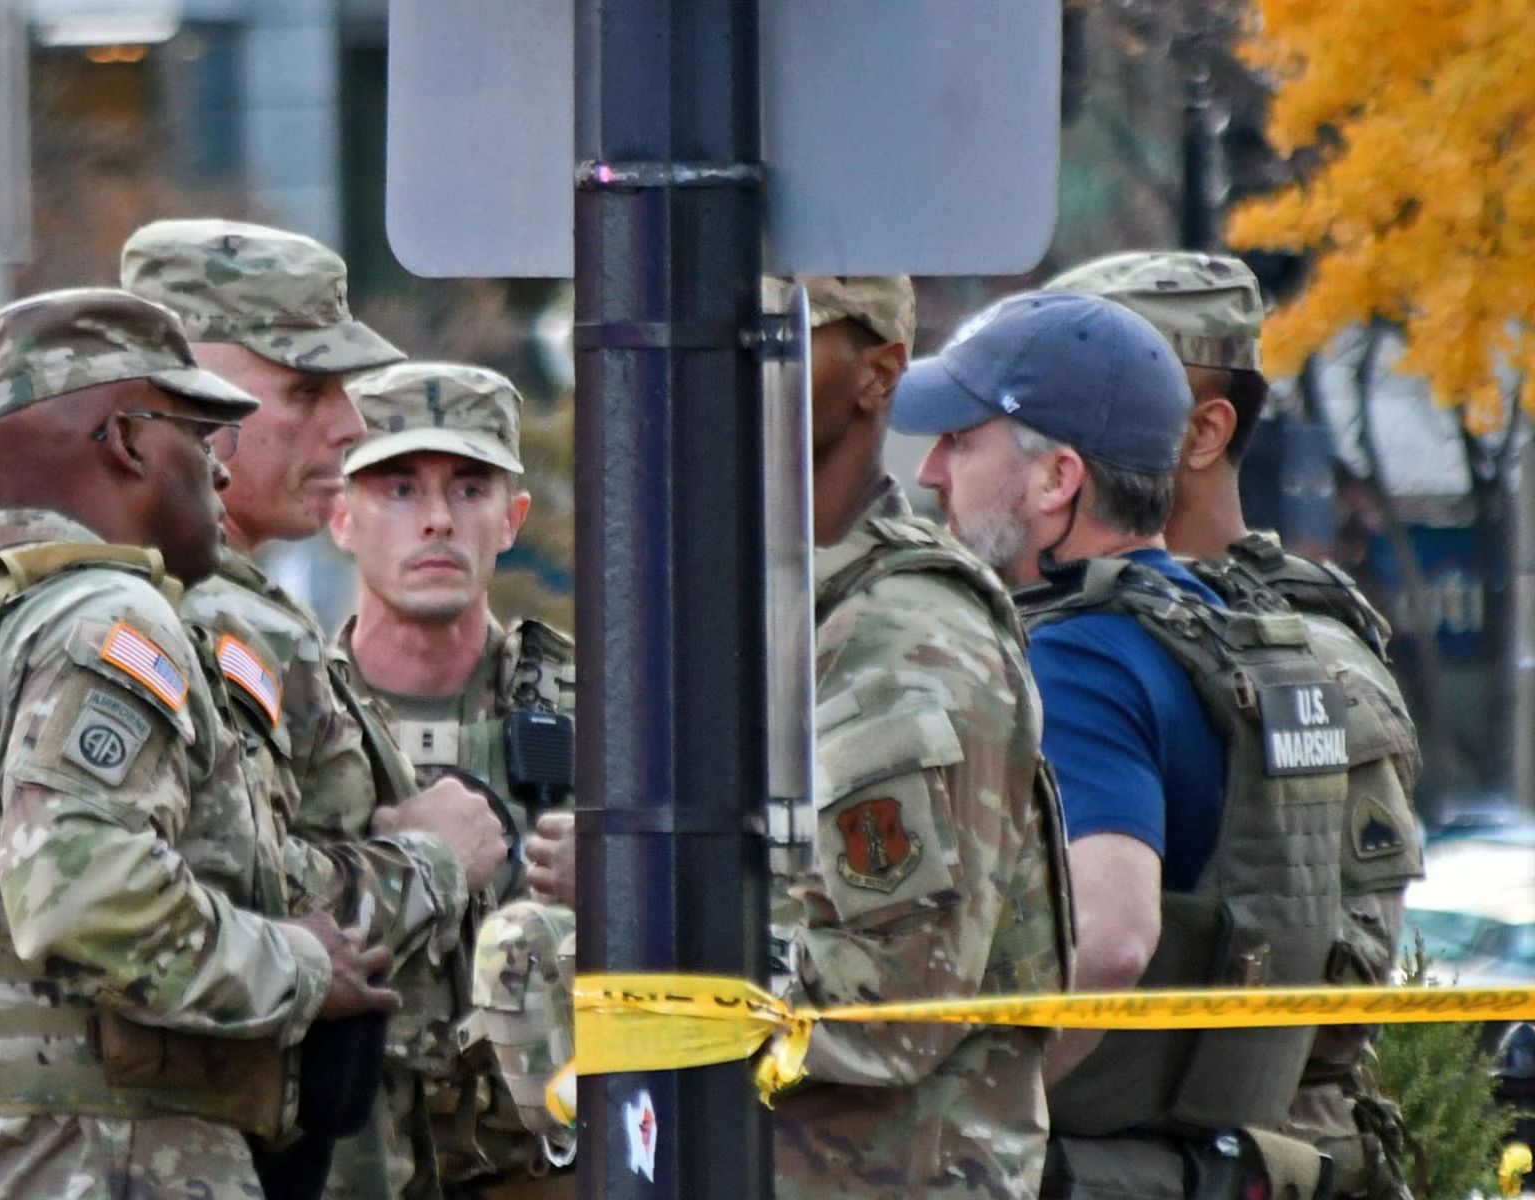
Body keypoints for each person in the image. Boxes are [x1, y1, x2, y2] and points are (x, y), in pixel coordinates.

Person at [0, 288, 402, 1200]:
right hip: (105, 1168)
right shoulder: (110, 616)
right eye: (198, 431)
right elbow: (87, 897)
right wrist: (303, 965)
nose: (220, 471)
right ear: (129, 440)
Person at [502, 278, 1075, 1200]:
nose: (724, 370)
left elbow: (893, 1002)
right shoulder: (744, 603)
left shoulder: (906, 638)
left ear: (877, 375)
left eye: (773, 341)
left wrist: (637, 891)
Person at [901, 291, 1349, 1200]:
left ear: (1056, 478)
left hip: (1093, 1164)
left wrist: (961, 1120)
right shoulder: (1213, 626)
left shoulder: (1078, 659)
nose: (933, 471)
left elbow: (1111, 938)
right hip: (1203, 1159)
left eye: (964, 440)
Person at [123, 219, 508, 1200]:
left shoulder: (208, 606)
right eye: (305, 392)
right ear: (192, 386)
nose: (346, 427)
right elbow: (224, 902)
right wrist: (433, 856)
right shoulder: (193, 621)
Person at [1050, 251, 1426, 1200]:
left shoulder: (1296, 659)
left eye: (1103, 391)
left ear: (1204, 430)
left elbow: (1334, 989)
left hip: (1224, 1150)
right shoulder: (1088, 623)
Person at [329, 361, 576, 1197]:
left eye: (469, 490)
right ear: (339, 515)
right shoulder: (288, 727)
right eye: (397, 489)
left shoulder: (610, 717)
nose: (435, 521)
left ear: (513, 519)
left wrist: (629, 881)